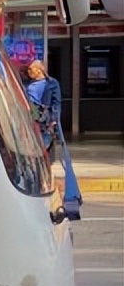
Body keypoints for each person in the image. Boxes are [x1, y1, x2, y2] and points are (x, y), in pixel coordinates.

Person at [25, 59, 82, 220]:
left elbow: (56, 103)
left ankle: (42, 184)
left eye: (31, 69)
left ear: (39, 69)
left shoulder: (51, 84)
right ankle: (40, 182)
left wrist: (54, 119)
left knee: (40, 155)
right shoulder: (27, 85)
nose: (29, 72)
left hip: (44, 124)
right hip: (30, 123)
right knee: (35, 157)